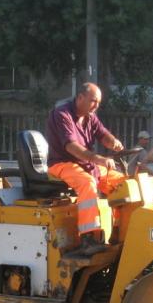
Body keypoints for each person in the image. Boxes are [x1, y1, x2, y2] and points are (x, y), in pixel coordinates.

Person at [46, 82, 125, 256]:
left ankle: (120, 231)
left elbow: (103, 134)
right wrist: (98, 159)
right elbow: (71, 147)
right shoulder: (62, 114)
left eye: (98, 102)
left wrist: (113, 142)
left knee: (123, 182)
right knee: (87, 183)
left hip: (86, 165)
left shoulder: (90, 116)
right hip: (62, 164)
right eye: (93, 101)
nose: (96, 106)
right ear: (80, 97)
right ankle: (88, 238)